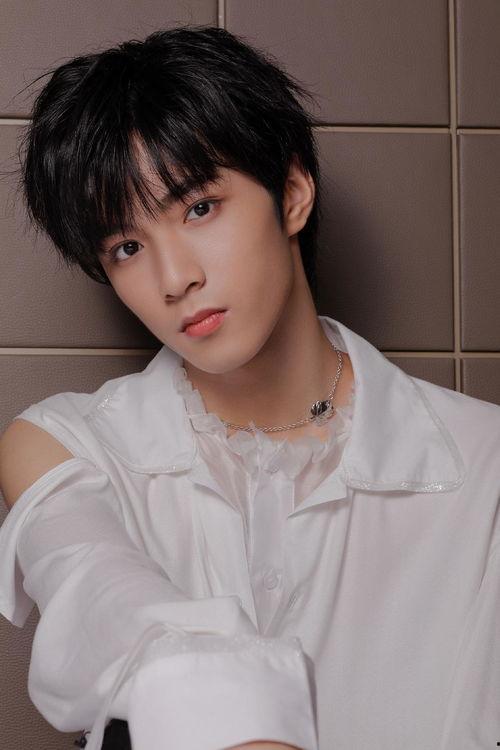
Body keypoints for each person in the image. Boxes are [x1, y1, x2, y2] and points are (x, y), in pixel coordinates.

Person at [0, 24, 498, 750]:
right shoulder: (69, 447)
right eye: (127, 247)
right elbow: (107, 608)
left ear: (291, 194)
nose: (175, 279)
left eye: (199, 208)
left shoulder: (484, 464)